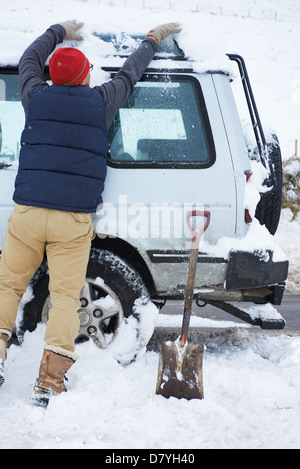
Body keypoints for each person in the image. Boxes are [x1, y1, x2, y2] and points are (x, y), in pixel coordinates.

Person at [0, 19, 181, 406]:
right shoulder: (100, 101)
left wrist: (56, 31)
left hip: (28, 213)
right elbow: (131, 73)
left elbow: (29, 60)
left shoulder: (35, 96)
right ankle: (48, 382)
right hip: (71, 220)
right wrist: (153, 38)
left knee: (8, 286)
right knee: (65, 296)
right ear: (85, 77)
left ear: (53, 76)